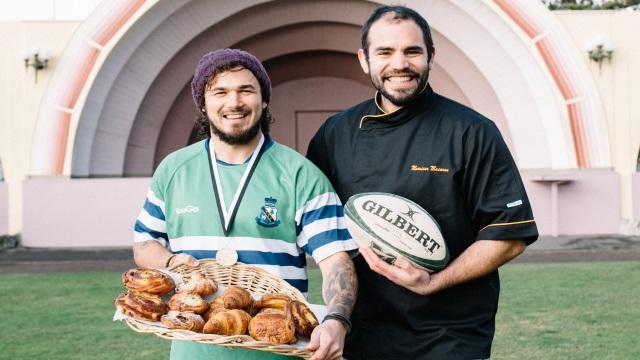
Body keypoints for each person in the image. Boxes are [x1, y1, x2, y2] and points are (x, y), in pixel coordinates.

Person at [307, 6, 538, 360]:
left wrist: (434, 282)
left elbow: (509, 235)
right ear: (364, 59)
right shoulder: (335, 135)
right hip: (361, 334)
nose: (400, 63)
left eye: (412, 51)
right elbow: (315, 227)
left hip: (450, 336)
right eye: (385, 52)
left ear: (430, 56)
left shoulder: (471, 132)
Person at [133, 49, 358, 360]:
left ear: (264, 99)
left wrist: (336, 320)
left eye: (246, 90)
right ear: (203, 102)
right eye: (220, 92)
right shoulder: (173, 170)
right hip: (193, 351)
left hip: (278, 351)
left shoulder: (300, 174)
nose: (234, 102)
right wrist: (170, 262)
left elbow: (336, 261)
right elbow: (144, 243)